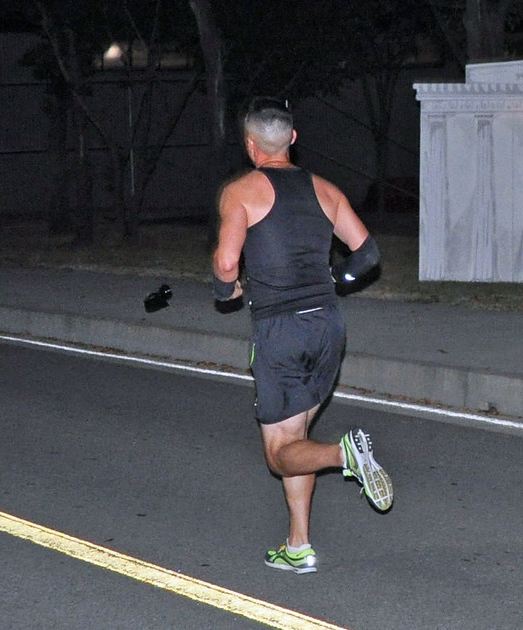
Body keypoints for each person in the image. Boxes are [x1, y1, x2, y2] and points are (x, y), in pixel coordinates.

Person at [211, 97, 393, 575]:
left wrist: (225, 289)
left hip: (280, 330)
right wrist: (336, 281)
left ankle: (344, 455)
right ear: (292, 139)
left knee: (279, 454)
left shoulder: (242, 191)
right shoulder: (325, 189)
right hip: (329, 325)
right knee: (296, 437)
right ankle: (298, 545)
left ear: (251, 146)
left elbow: (227, 262)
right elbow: (367, 254)